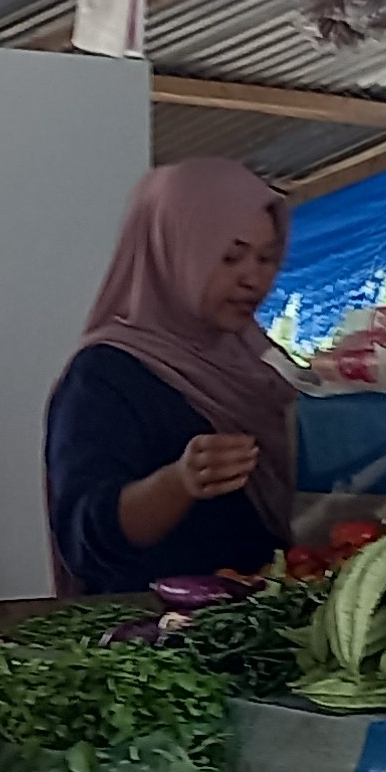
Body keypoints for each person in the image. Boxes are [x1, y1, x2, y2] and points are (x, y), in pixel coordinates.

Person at [47, 160, 297, 594]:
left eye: (266, 258)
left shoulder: (257, 364)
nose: (252, 277)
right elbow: (85, 539)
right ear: (171, 252)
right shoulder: (105, 375)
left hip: (262, 632)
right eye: (230, 256)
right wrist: (178, 483)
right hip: (154, 641)